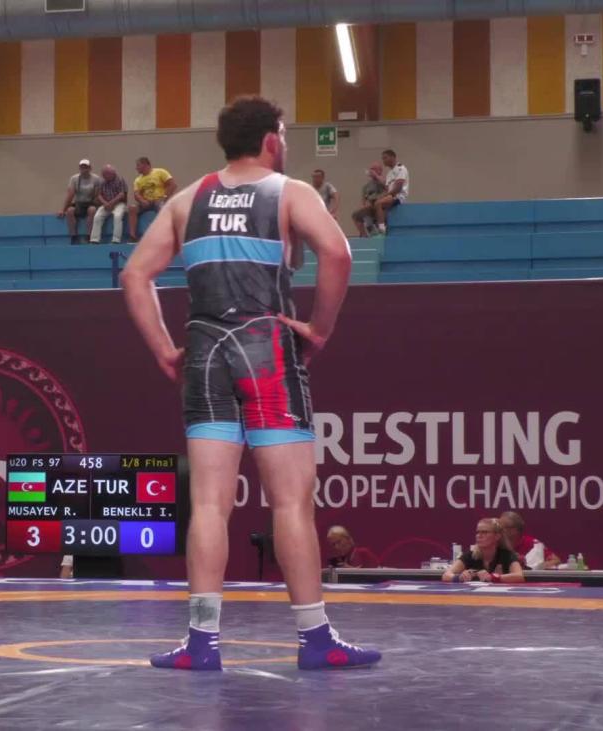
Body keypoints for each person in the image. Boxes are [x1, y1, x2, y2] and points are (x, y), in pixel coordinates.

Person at [121, 95, 379, 671]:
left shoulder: (186, 200)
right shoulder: (288, 192)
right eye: (283, 135)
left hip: (206, 355)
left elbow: (135, 275)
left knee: (210, 504)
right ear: (270, 139)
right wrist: (319, 329)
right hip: (267, 353)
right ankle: (316, 640)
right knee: (290, 503)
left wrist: (164, 349)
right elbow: (338, 255)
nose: (284, 144)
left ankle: (201, 641)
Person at [441, 518, 525, 583]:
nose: (479, 536)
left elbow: (519, 576)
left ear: (497, 536)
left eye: (484, 532)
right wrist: (459, 577)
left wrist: (493, 577)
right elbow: (446, 575)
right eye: (478, 532)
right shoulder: (470, 555)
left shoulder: (507, 555)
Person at [127, 157, 176, 241]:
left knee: (161, 207)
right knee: (132, 208)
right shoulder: (138, 180)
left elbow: (172, 185)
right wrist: (142, 201)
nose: (136, 168)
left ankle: (166, 234)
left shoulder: (160, 172)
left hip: (159, 200)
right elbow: (136, 194)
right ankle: (132, 236)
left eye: (138, 165)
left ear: (145, 164)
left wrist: (164, 198)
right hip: (146, 202)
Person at [57, 160, 101, 244]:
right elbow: (70, 195)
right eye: (82, 167)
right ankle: (73, 236)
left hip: (90, 203)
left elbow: (97, 195)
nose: (84, 170)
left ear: (90, 168)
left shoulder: (96, 179)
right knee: (70, 211)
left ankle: (89, 235)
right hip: (78, 203)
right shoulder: (74, 179)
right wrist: (63, 209)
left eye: (86, 167)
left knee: (92, 210)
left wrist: (97, 204)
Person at [89, 165, 129, 244]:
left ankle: (116, 240)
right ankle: (94, 239)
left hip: (119, 203)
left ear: (111, 174)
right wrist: (105, 203)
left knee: (117, 216)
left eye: (105, 175)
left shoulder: (120, 180)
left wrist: (111, 203)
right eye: (103, 175)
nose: (104, 177)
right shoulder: (102, 181)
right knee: (97, 216)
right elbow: (99, 195)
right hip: (106, 203)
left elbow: (122, 194)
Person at [373, 149, 409, 236]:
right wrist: (376, 177)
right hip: (391, 196)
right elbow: (387, 188)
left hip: (399, 196)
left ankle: (382, 230)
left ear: (393, 157)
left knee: (378, 203)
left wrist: (383, 196)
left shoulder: (401, 169)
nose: (383, 161)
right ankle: (375, 229)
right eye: (383, 158)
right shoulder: (389, 173)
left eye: (385, 158)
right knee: (370, 208)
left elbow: (398, 188)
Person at [350, 163, 386, 238]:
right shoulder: (366, 186)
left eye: (374, 169)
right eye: (371, 169)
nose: (372, 171)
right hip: (370, 205)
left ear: (380, 170)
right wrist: (364, 206)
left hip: (382, 205)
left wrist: (376, 176)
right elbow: (363, 200)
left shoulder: (385, 180)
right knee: (356, 215)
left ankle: (379, 231)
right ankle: (364, 235)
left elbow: (387, 186)